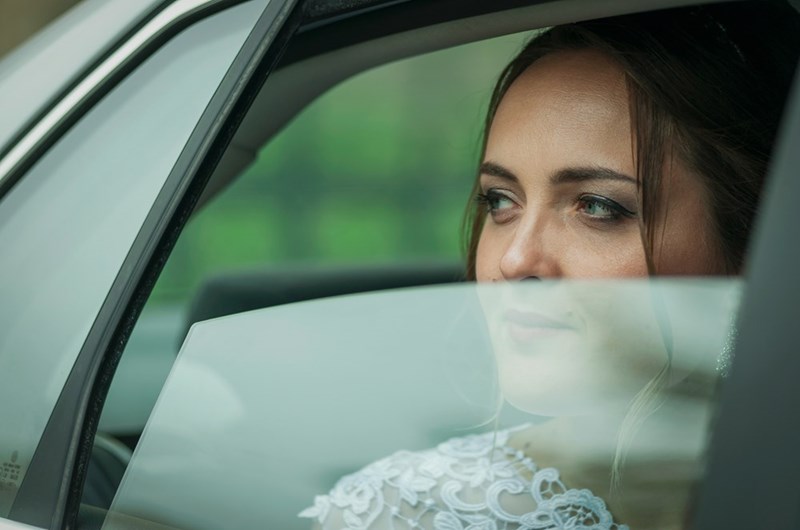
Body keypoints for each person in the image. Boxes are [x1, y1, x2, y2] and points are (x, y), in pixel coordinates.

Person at [300, 3, 800, 529]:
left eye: (597, 207)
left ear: (761, 241)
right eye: (499, 201)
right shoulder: (407, 513)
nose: (515, 260)